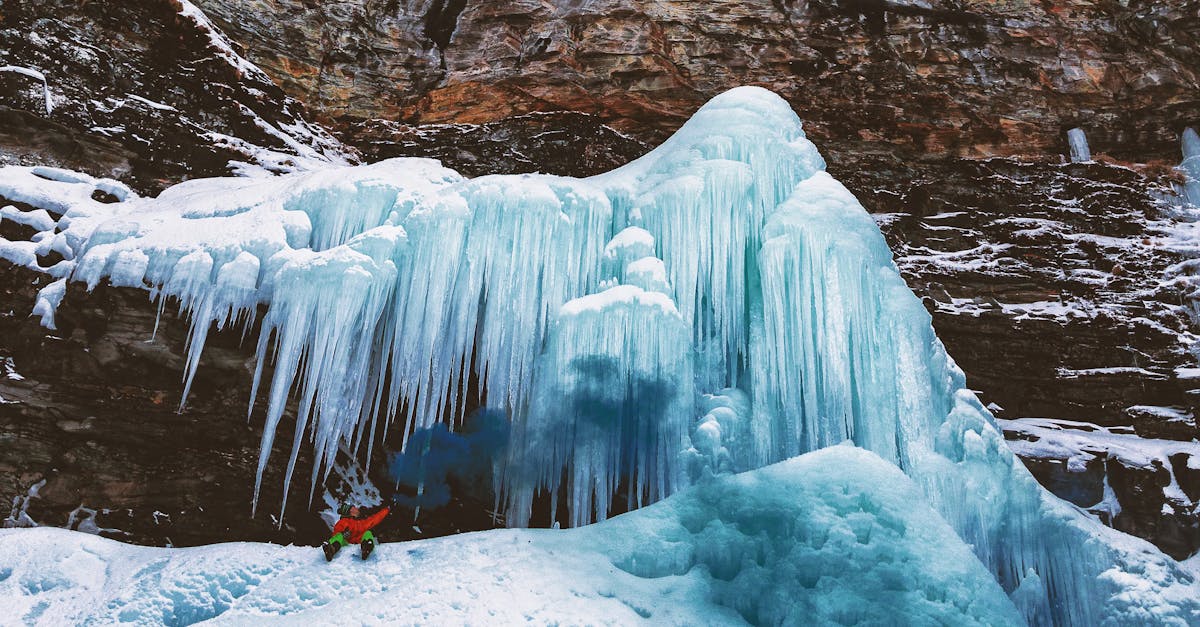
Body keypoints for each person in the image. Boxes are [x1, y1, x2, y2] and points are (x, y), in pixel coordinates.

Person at [322, 499, 394, 561]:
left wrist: (387, 509)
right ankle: (332, 548)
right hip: (345, 543)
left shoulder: (359, 523)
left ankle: (367, 547)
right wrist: (343, 536)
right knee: (339, 536)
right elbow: (336, 536)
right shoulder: (342, 522)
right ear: (350, 511)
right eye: (354, 508)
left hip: (358, 543)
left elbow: (375, 519)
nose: (357, 509)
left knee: (368, 533)